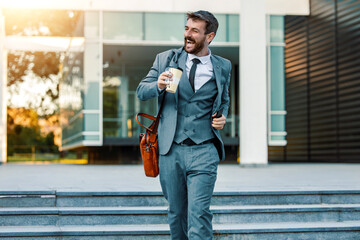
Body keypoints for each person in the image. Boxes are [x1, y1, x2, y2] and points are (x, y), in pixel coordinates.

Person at [137, 10, 231, 240]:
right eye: (186, 29)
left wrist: (222, 117)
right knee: (177, 213)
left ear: (209, 37)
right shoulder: (165, 59)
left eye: (195, 31)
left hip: (205, 149)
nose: (188, 35)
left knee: (199, 214)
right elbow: (141, 90)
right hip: (171, 150)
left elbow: (224, 99)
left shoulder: (223, 66)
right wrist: (157, 84)